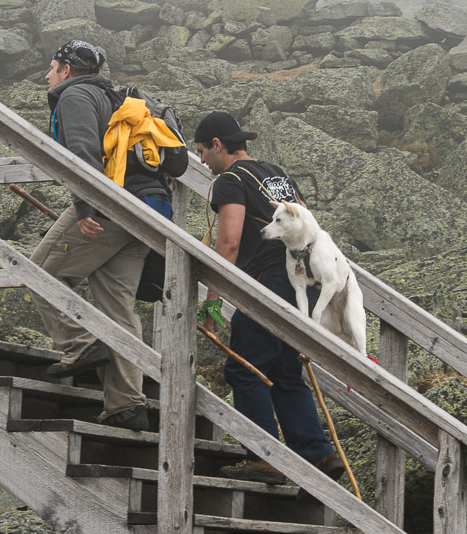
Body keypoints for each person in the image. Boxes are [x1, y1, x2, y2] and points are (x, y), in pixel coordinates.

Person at [194, 111, 344, 488]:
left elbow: (228, 241)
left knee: (244, 367)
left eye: (201, 152)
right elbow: (308, 221)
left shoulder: (229, 180)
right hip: (304, 279)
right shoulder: (276, 174)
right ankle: (317, 452)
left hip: (271, 279)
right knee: (284, 370)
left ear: (217, 144)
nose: (201, 162)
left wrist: (212, 298)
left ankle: (263, 457)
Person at [30, 40, 172, 432]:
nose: (47, 75)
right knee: (117, 307)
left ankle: (80, 345)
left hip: (113, 204)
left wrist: (84, 206)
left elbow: (81, 150)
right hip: (150, 210)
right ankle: (126, 405)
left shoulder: (75, 95)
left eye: (52, 66)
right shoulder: (115, 97)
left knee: (39, 272)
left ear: (67, 69)